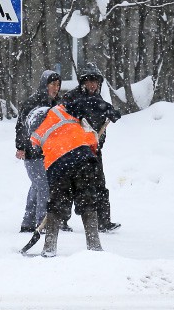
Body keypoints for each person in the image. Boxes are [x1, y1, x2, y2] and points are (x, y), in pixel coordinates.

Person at [29, 98, 121, 257]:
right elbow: (89, 102)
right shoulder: (61, 110)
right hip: (82, 158)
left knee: (56, 204)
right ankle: (94, 245)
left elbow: (40, 156)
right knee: (87, 200)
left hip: (58, 166)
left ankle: (49, 247)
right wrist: (107, 109)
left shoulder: (35, 135)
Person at [60, 62, 121, 232]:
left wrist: (98, 144)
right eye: (89, 81)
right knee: (69, 186)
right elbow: (66, 121)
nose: (93, 84)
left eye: (95, 81)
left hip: (93, 152)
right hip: (72, 151)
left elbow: (100, 126)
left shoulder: (99, 100)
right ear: (82, 82)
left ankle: (103, 221)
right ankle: (61, 221)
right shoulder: (71, 98)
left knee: (99, 185)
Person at [15, 70, 72, 233]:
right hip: (33, 153)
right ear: (44, 85)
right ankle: (43, 223)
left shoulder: (58, 104)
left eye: (58, 85)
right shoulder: (32, 102)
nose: (56, 88)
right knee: (44, 186)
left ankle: (28, 222)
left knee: (37, 186)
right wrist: (21, 146)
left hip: (51, 152)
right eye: (53, 84)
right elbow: (21, 126)